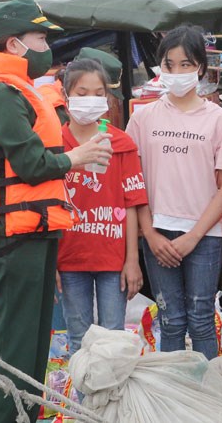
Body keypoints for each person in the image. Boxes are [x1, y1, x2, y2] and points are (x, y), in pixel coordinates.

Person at [0, 0, 113, 423]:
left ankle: (24, 417)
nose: (47, 46)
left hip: (31, 230)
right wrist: (76, 158)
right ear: (14, 45)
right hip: (10, 236)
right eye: (40, 37)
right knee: (14, 349)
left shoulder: (15, 87)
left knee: (33, 348)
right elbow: (31, 164)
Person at [125, 24, 222, 362]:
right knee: (171, 321)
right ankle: (173, 399)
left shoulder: (219, 120)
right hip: (157, 232)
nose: (176, 72)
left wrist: (193, 236)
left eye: (185, 64)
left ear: (200, 68)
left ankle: (208, 400)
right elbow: (133, 184)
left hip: (203, 236)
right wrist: (150, 234)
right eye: (169, 64)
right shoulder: (143, 118)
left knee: (202, 320)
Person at [57, 59, 148, 354]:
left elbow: (132, 204)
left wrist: (132, 260)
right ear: (66, 95)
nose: (90, 100)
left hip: (113, 260)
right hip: (69, 258)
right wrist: (52, 264)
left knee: (114, 340)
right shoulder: (53, 145)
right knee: (78, 340)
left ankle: (112, 402)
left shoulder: (121, 143)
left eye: (98, 93)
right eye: (82, 93)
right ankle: (82, 403)